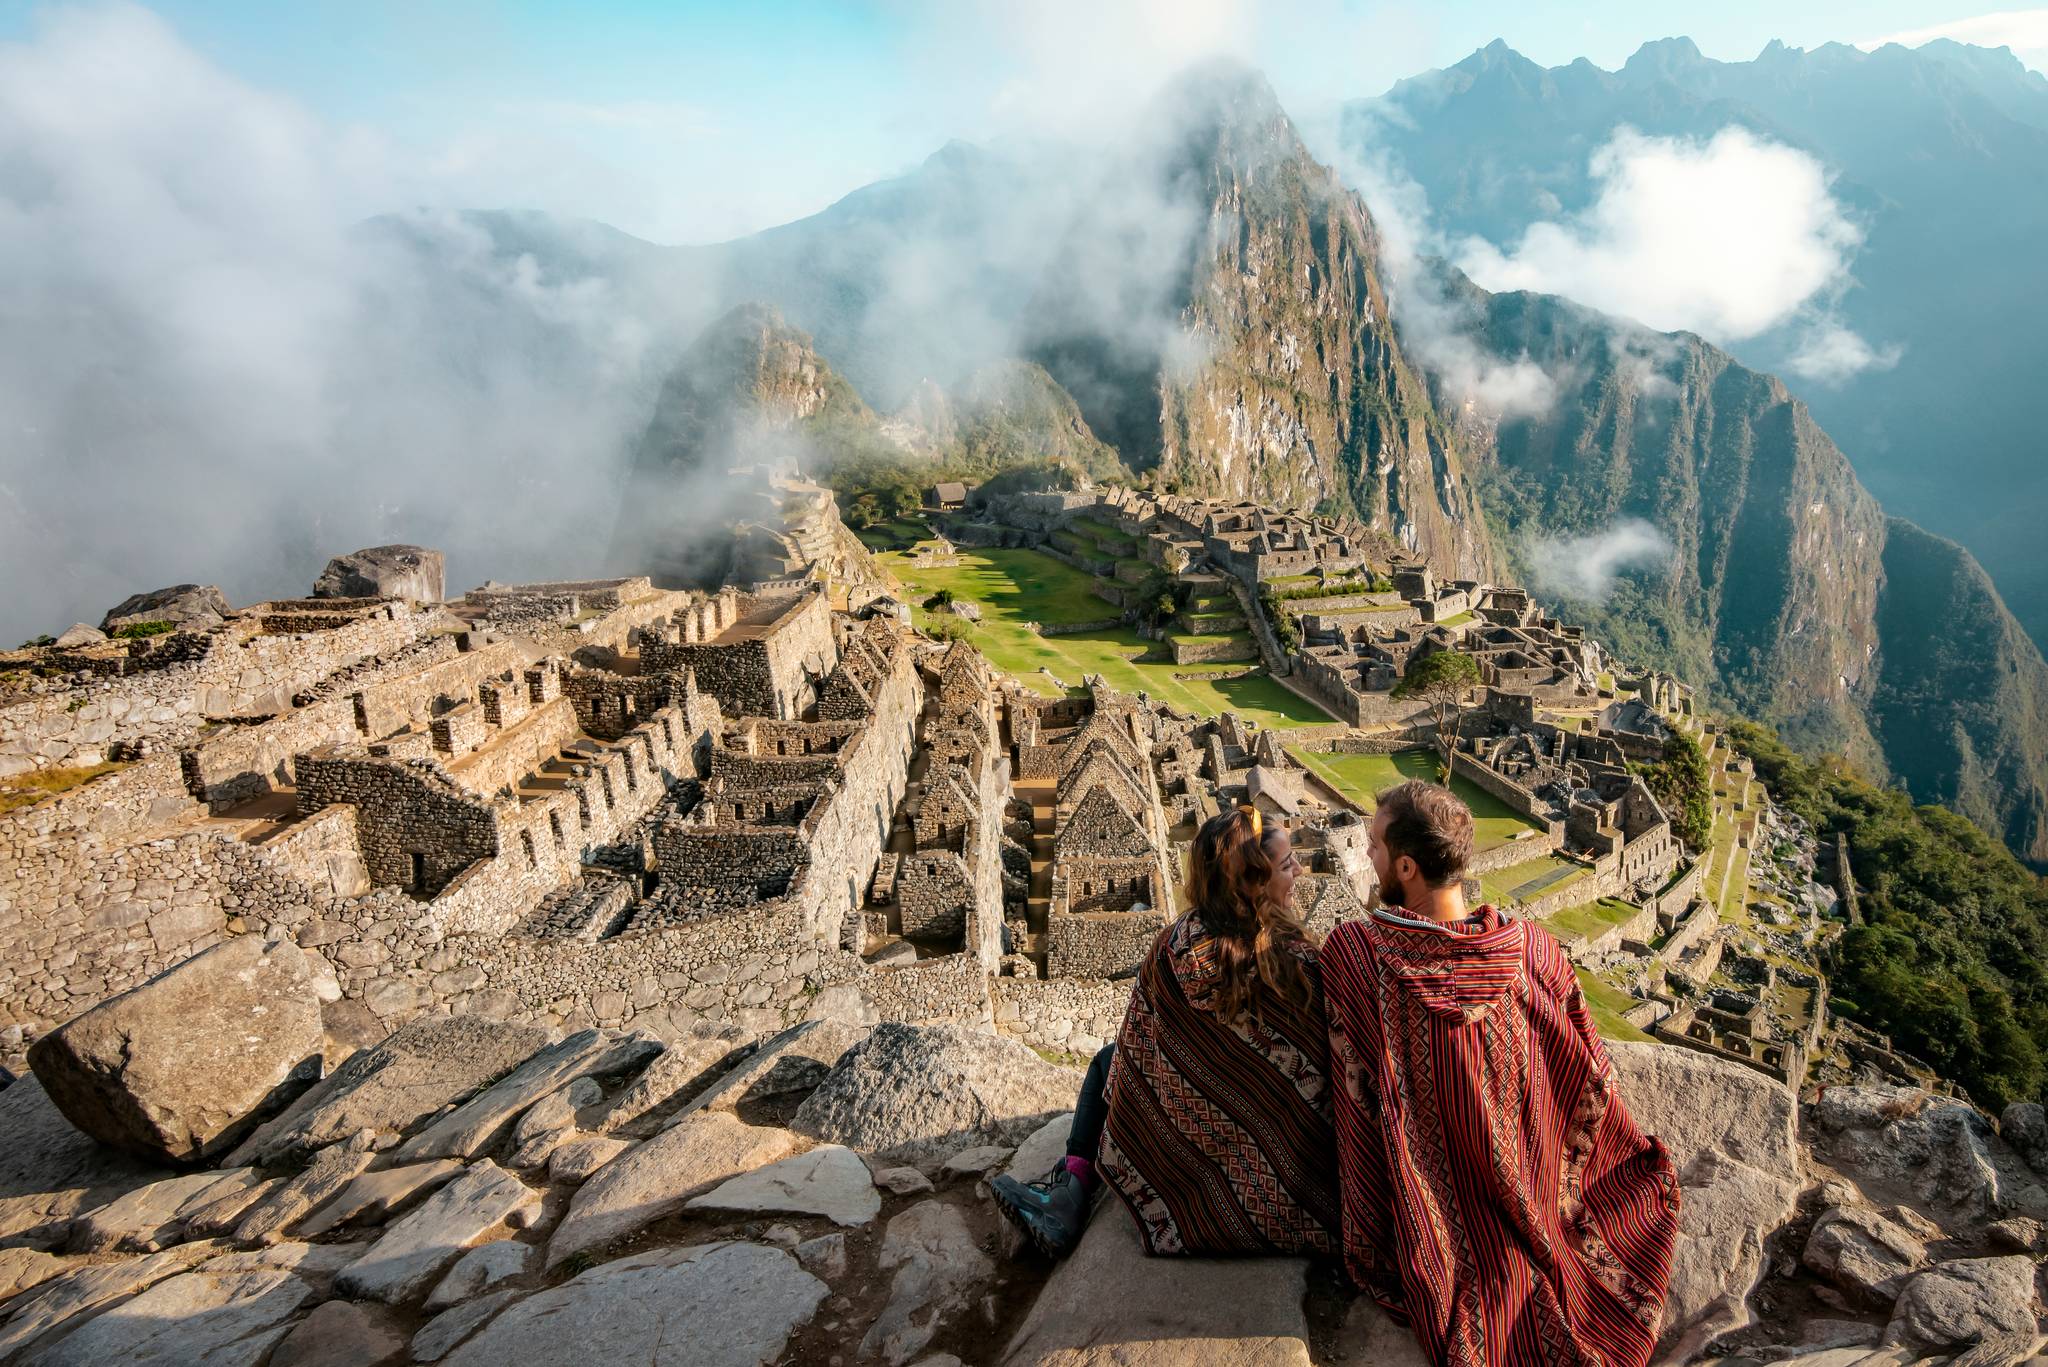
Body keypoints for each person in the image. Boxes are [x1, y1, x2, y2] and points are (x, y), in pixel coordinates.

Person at [1322, 779, 1680, 1367]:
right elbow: (1589, 1069)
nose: (1367, 856)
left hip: (1446, 1232)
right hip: (1545, 1187)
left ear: (1406, 867)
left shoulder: (1359, 957)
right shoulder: (1533, 951)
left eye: (1375, 847)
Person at [990, 804, 1339, 1258]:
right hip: (1292, 1174)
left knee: (1110, 1060)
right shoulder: (1298, 963)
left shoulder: (1177, 947)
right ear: (1254, 880)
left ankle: (1071, 1188)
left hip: (1190, 1151)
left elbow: (1142, 1039)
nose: (1298, 872)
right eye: (1287, 864)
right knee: (1118, 1058)